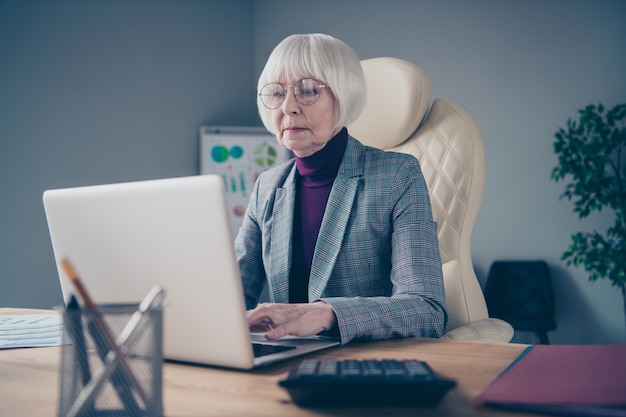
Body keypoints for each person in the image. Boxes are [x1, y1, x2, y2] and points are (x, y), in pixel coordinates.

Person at [235, 33, 447, 345]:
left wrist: (326, 314)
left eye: (307, 91)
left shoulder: (398, 175)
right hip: (283, 362)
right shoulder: (267, 186)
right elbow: (232, 294)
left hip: (365, 364)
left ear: (344, 96)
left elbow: (428, 309)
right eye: (277, 93)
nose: (289, 107)